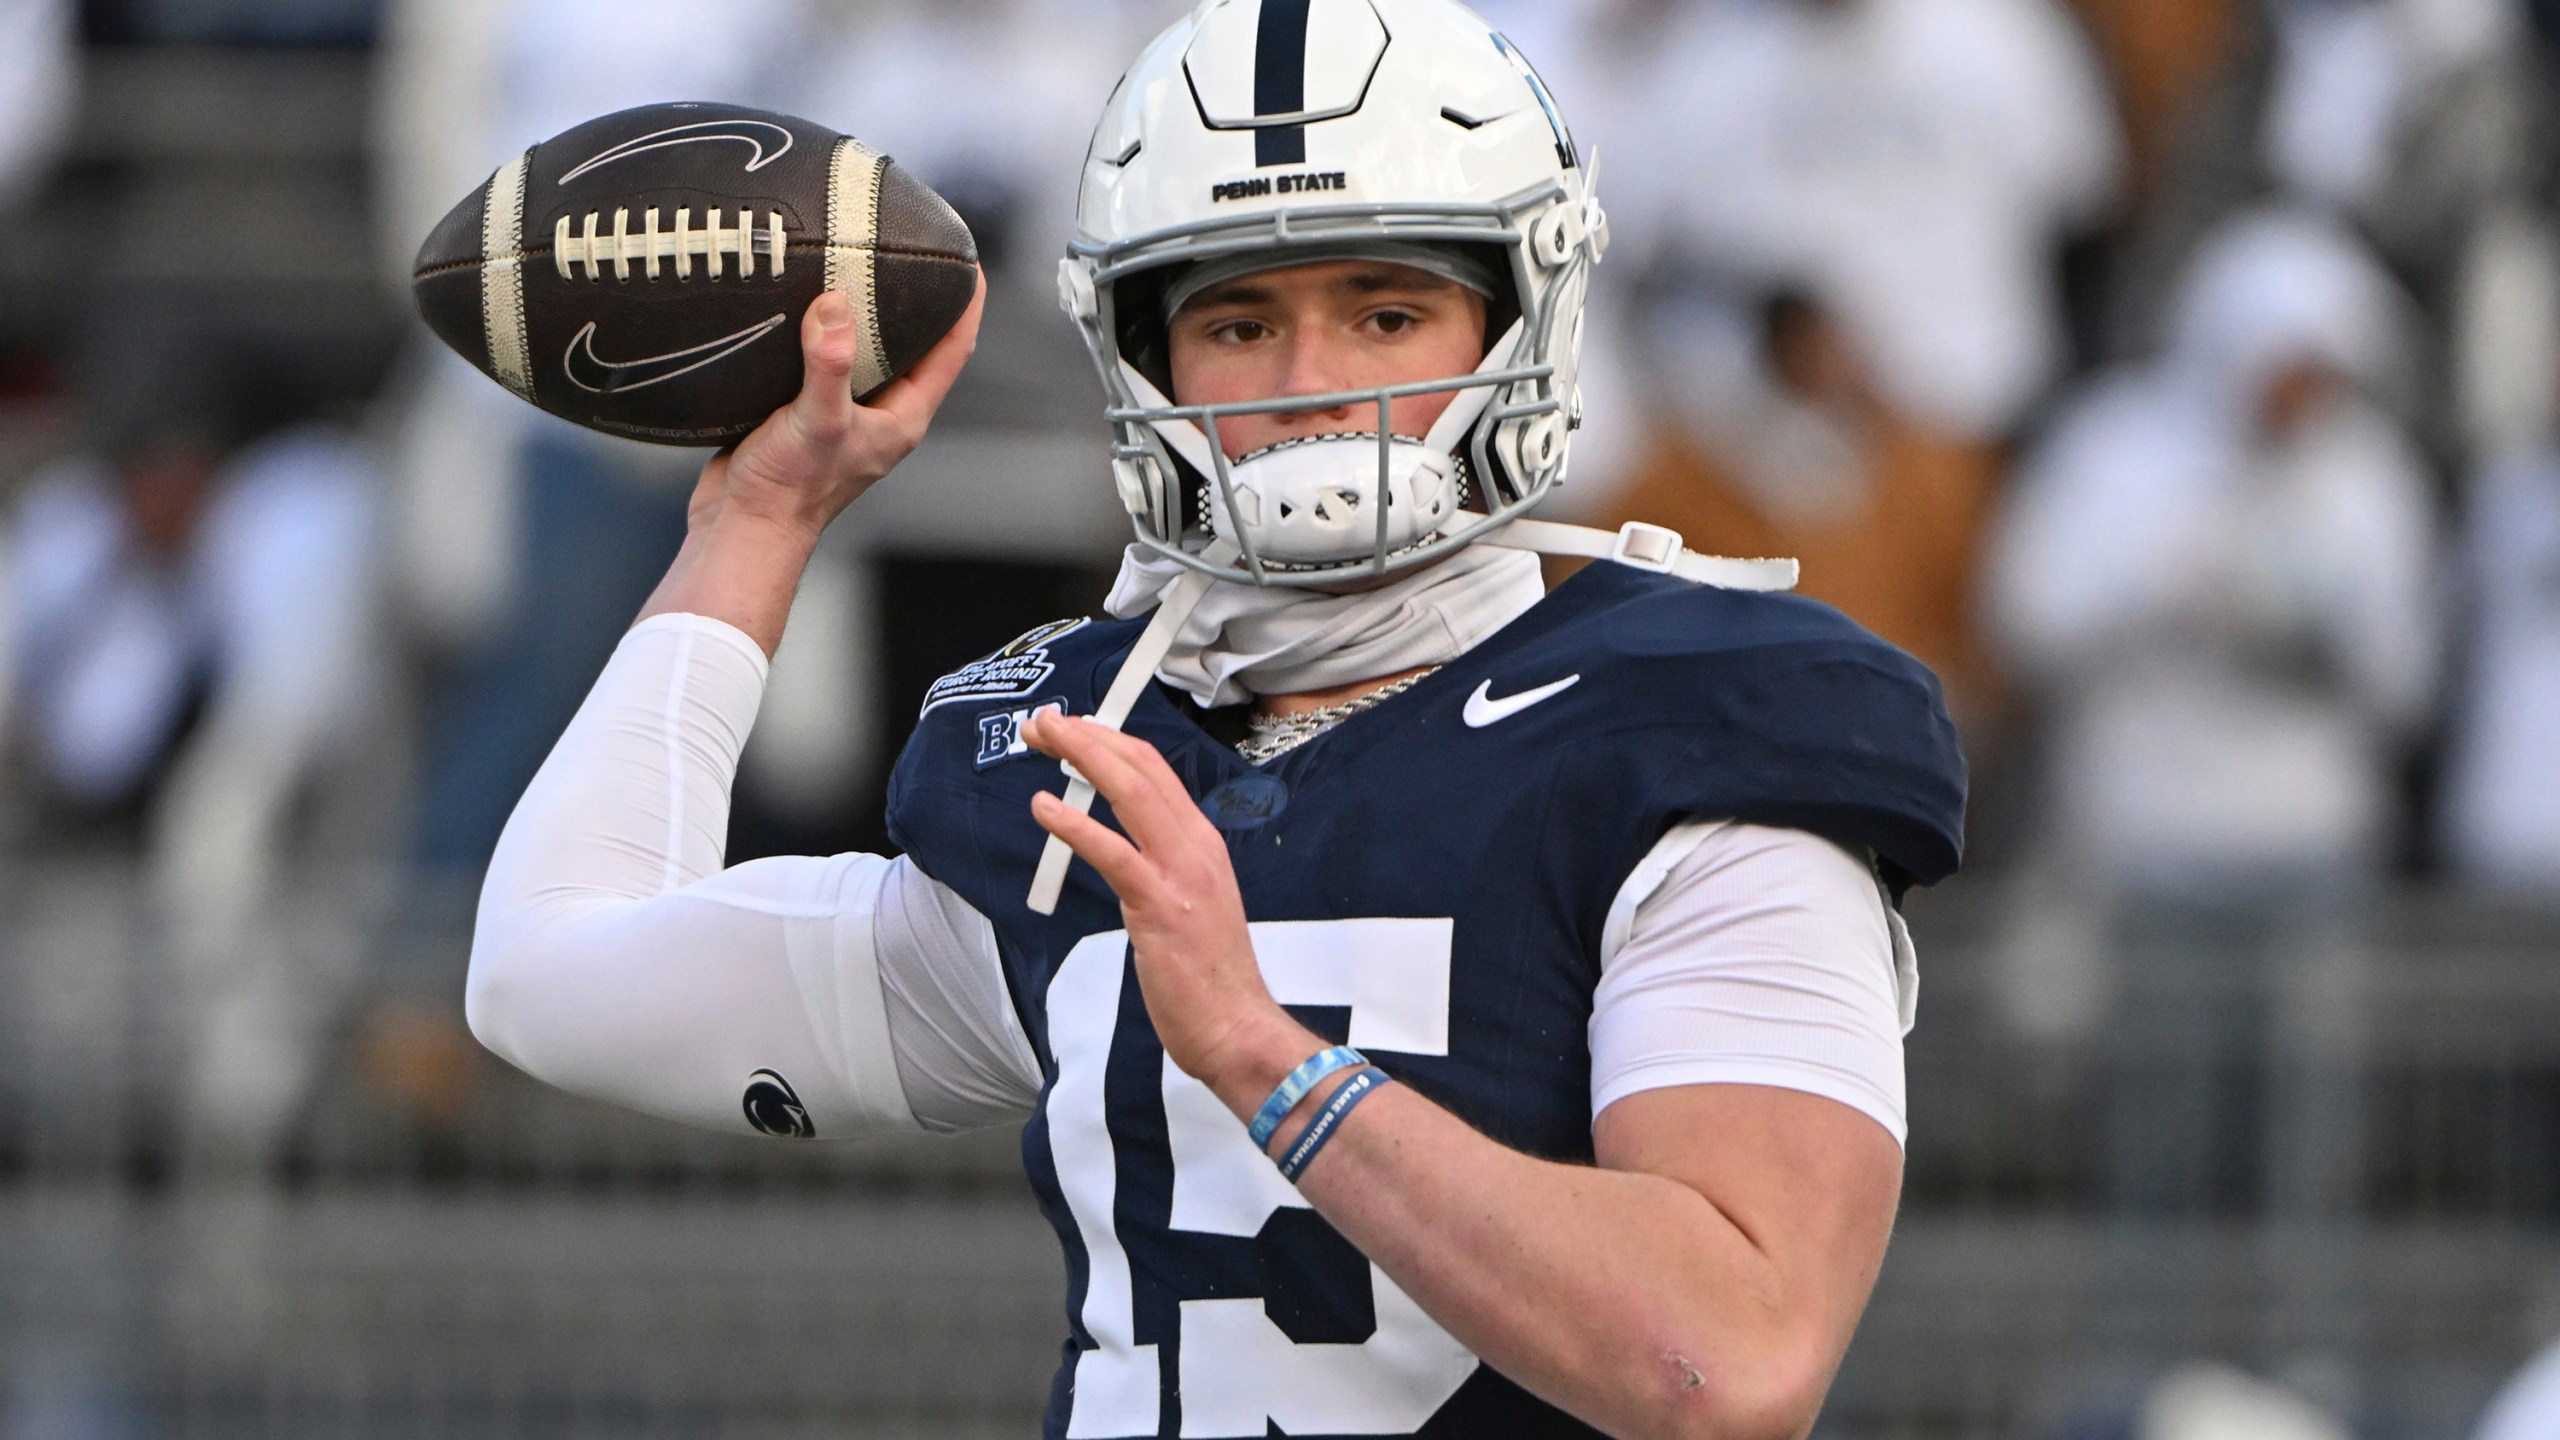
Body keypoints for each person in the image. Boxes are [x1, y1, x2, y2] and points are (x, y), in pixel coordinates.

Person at [465, 3, 1966, 1436]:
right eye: (1238, 324)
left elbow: (1731, 1362)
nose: (1313, 387)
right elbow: (551, 972)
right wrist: (760, 519)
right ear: (1142, 355)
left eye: (1386, 312)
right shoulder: (1087, 755)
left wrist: (1261, 1052)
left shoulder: (1693, 725)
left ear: (1524, 318)